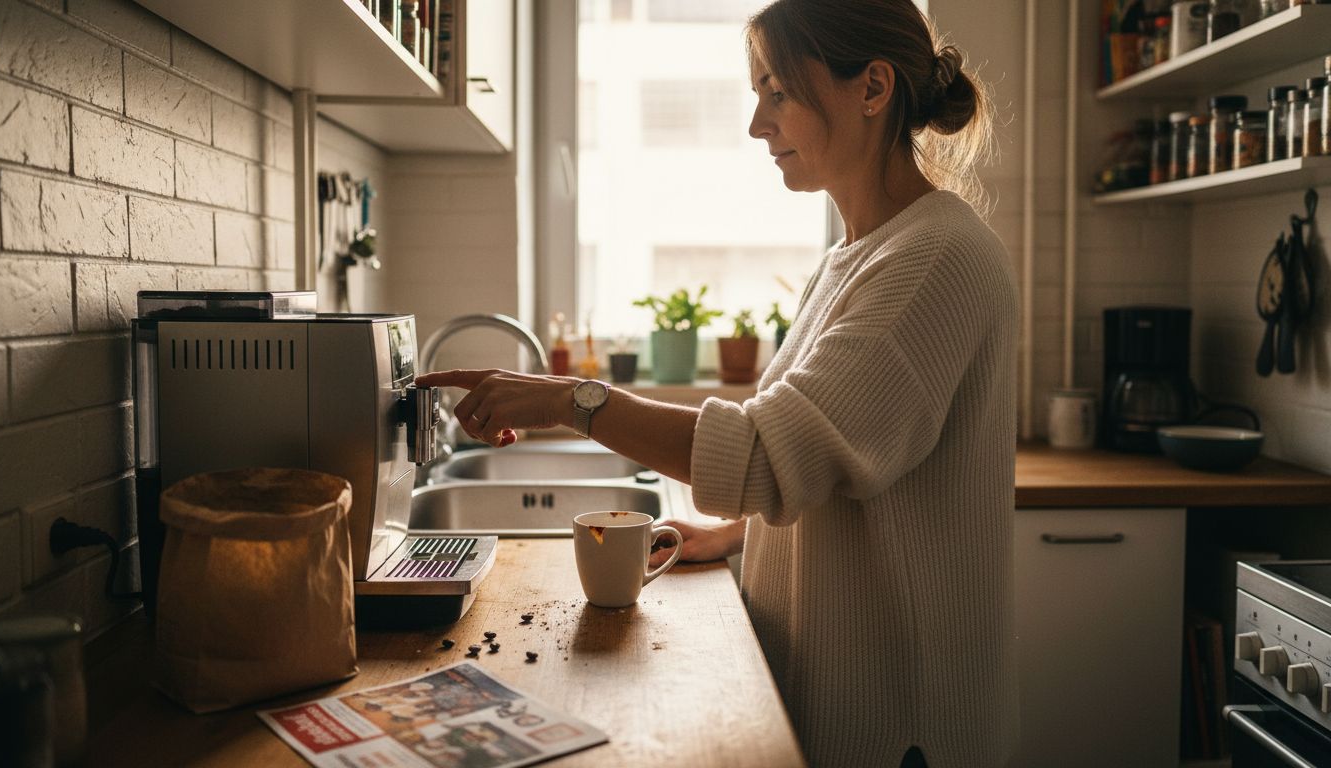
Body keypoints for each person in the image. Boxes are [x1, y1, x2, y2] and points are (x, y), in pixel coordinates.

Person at [416, 1, 1018, 765]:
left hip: (901, 722)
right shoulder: (859, 257)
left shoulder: (936, 260)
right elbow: (827, 457)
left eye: (777, 93)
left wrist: (570, 400)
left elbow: (766, 453)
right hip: (852, 700)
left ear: (872, 87)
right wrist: (742, 536)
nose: (756, 125)